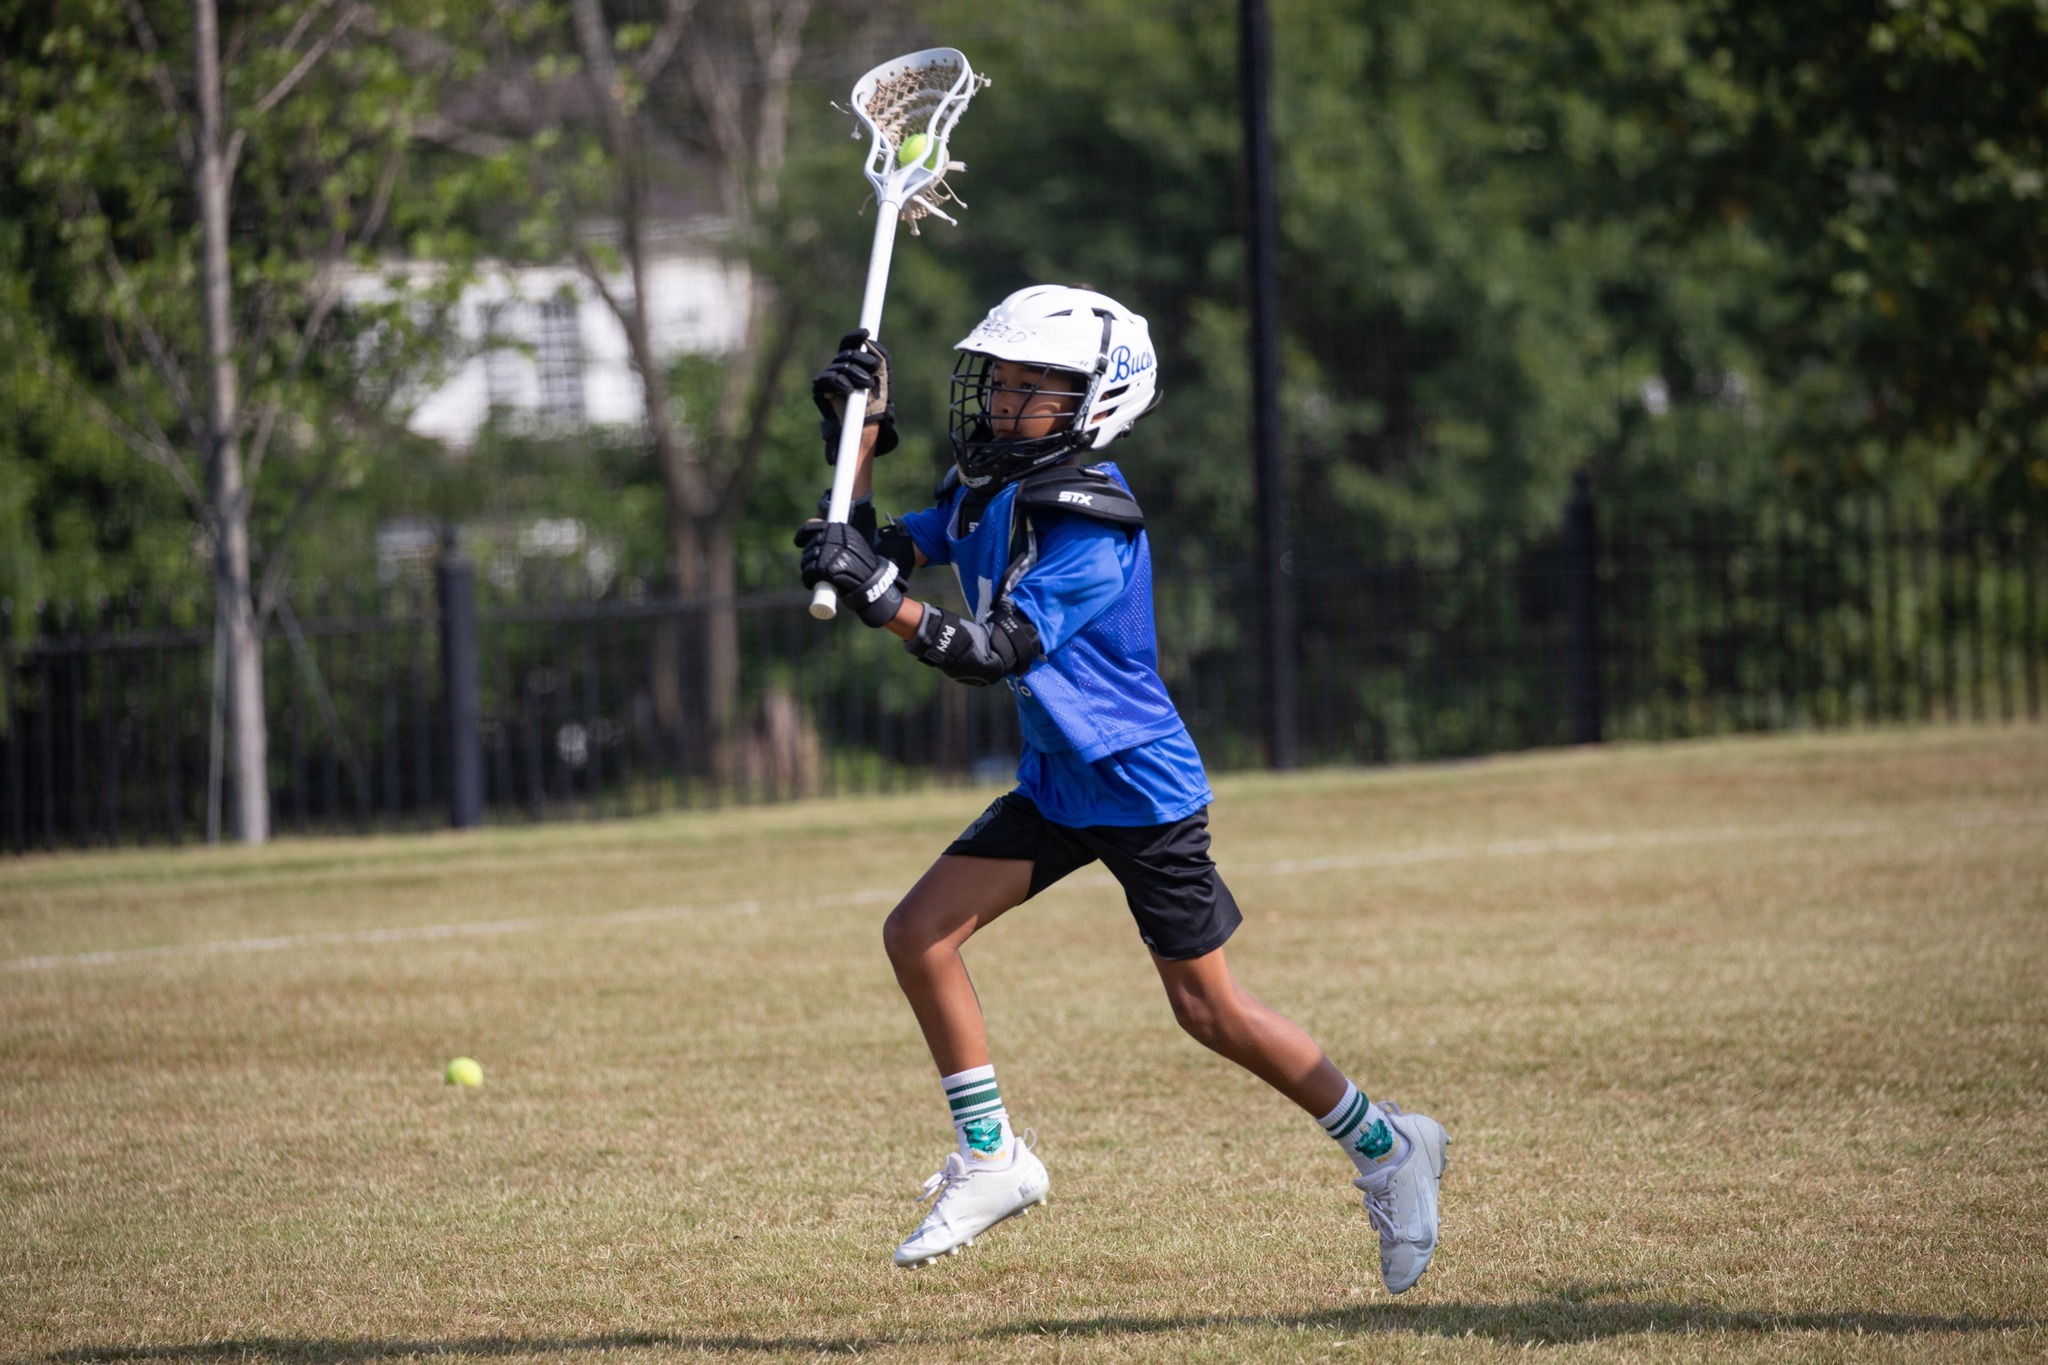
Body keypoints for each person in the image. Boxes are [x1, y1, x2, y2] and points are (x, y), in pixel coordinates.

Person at [796, 285, 1447, 1293]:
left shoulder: (1090, 519)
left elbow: (989, 649)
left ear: (1097, 402)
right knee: (915, 933)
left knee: (1208, 1012)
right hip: (1058, 783)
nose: (1004, 403)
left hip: (1136, 787)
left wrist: (884, 602)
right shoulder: (984, 490)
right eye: (1000, 383)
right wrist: (859, 440)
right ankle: (992, 1158)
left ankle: (1387, 1144)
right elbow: (880, 552)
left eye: (1032, 389)